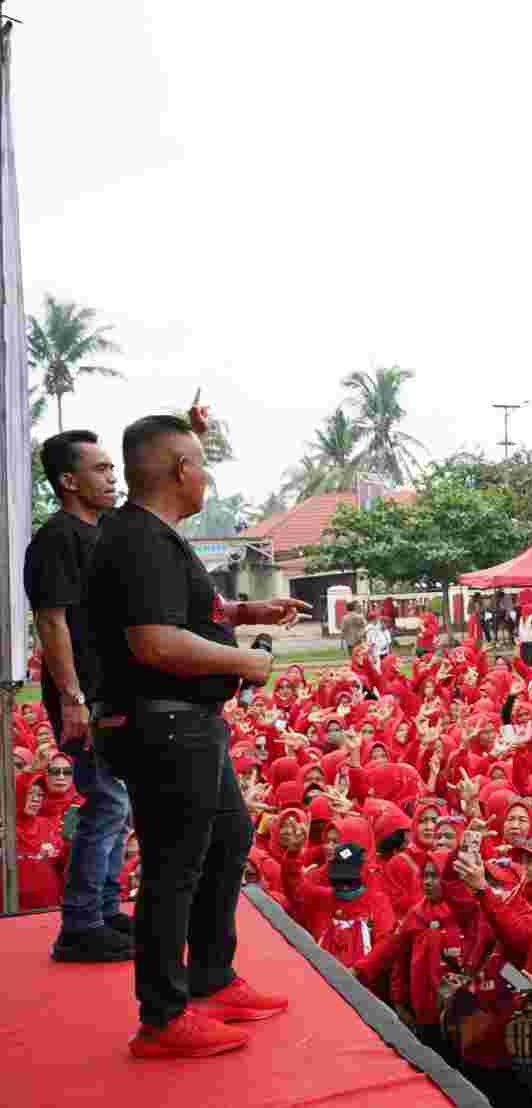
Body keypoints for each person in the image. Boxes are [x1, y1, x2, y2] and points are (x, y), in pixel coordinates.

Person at [85, 410, 309, 1059]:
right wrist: (248, 659)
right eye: (200, 462)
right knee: (172, 866)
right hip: (162, 722)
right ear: (182, 472)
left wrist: (245, 613)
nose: (206, 474)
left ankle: (211, 974)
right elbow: (154, 640)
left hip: (185, 721)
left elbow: (182, 612)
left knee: (227, 837)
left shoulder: (155, 536)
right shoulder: (139, 539)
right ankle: (162, 1014)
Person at [25, 429, 133, 962]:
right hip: (83, 697)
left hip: (114, 696)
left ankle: (107, 910)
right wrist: (71, 697)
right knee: (107, 800)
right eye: (101, 470)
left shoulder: (108, 529)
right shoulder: (56, 539)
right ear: (69, 481)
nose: (112, 479)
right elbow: (52, 621)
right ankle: (80, 924)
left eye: (113, 469)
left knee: (120, 802)